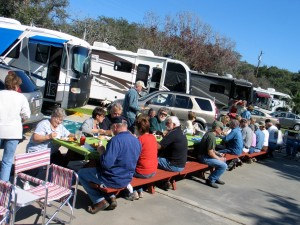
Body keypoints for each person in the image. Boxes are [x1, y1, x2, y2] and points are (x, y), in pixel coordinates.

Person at [78, 117, 141, 213]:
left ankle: (99, 201)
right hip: (127, 178)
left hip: (113, 179)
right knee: (96, 170)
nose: (111, 131)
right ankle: (111, 197)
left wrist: (102, 151)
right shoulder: (136, 140)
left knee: (82, 173)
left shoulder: (116, 140)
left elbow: (106, 164)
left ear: (115, 126)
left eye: (111, 128)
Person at [0, 71, 31, 181]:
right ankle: (3, 188)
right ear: (16, 85)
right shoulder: (21, 97)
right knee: (7, 161)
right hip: (13, 131)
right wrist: (20, 120)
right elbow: (26, 115)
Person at [126, 116, 158, 200]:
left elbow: (131, 157)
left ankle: (133, 191)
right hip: (153, 170)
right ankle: (139, 190)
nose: (135, 129)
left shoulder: (139, 140)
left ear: (140, 130)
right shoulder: (152, 137)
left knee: (124, 169)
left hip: (143, 172)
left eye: (136, 128)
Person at [157, 116, 187, 189]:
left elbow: (158, 146)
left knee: (151, 160)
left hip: (174, 165)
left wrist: (150, 140)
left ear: (174, 125)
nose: (166, 124)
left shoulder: (173, 134)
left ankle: (160, 181)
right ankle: (164, 181)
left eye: (168, 123)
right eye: (166, 123)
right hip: (181, 164)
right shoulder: (180, 132)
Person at [196, 121, 227, 188]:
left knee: (224, 160)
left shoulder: (210, 133)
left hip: (205, 155)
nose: (222, 130)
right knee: (223, 166)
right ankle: (210, 180)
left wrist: (218, 153)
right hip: (203, 157)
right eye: (221, 129)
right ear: (216, 129)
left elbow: (211, 149)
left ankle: (216, 177)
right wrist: (219, 158)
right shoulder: (211, 137)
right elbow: (210, 153)